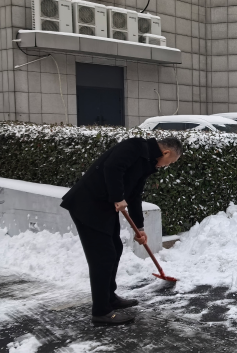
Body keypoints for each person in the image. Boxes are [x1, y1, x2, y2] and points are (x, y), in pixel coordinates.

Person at [61, 137, 183, 325]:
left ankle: (109, 298)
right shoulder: (134, 147)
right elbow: (112, 167)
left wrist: (139, 228)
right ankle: (101, 312)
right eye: (171, 162)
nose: (168, 165)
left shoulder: (147, 163)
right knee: (103, 257)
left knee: (115, 249)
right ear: (166, 153)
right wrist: (118, 197)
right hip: (87, 205)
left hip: (103, 208)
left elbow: (135, 195)